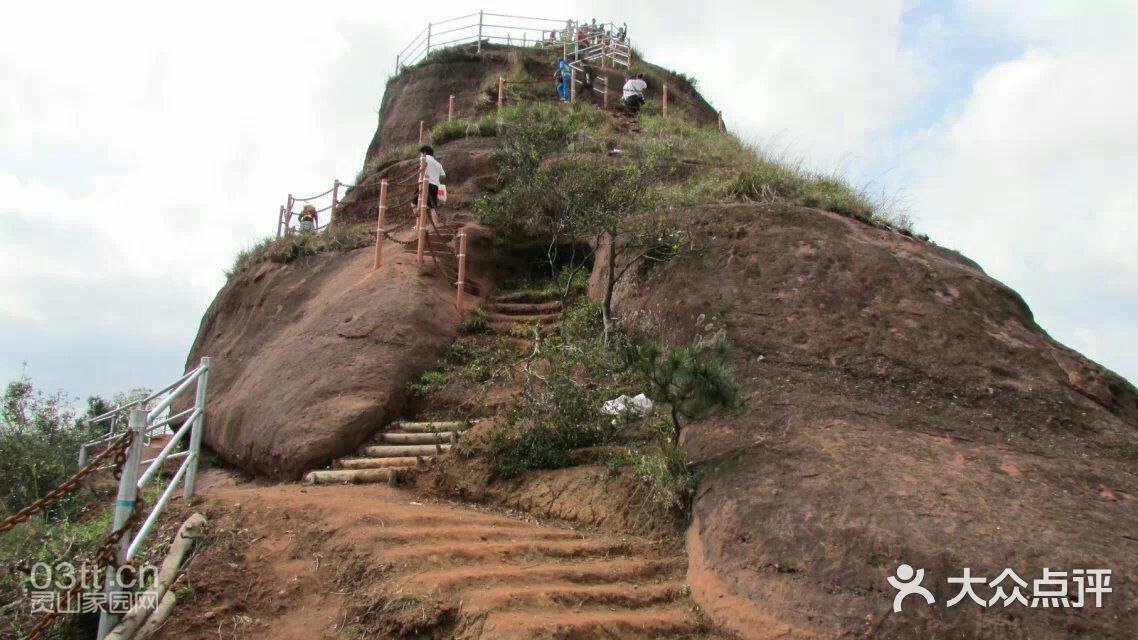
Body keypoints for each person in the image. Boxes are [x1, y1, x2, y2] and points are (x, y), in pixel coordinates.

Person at [412, 145, 446, 224]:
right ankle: (436, 225)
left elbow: (422, 169)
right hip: (435, 186)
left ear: (424, 152)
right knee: (432, 207)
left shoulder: (424, 158)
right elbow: (444, 176)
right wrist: (436, 179)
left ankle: (419, 222)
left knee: (413, 203)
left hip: (425, 184)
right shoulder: (438, 164)